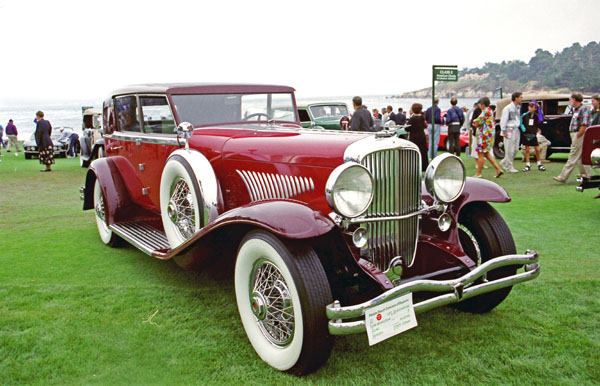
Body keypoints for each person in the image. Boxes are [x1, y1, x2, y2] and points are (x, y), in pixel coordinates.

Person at [553, 93, 592, 183]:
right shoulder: (576, 110)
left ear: (574, 99)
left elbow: (585, 124)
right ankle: (586, 175)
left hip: (579, 134)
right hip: (575, 133)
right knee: (581, 156)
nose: (570, 101)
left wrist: (579, 135)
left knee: (573, 154)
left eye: (570, 99)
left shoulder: (584, 109)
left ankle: (563, 176)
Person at [472, 97, 503, 178]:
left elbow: (477, 121)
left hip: (484, 136)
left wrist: (474, 123)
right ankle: (498, 169)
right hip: (489, 135)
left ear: (483, 105)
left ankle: (478, 173)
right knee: (486, 153)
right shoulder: (490, 111)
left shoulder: (485, 111)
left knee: (481, 154)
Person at [519, 101, 546, 172]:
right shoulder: (525, 115)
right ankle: (528, 164)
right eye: (529, 107)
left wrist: (539, 108)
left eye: (532, 107)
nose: (530, 108)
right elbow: (521, 122)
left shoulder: (536, 116)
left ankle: (539, 164)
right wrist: (523, 129)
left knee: (537, 149)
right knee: (527, 150)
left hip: (533, 134)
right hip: (526, 134)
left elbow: (541, 119)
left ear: (535, 109)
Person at [499, 92, 523, 173]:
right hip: (509, 129)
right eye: (520, 97)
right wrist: (504, 131)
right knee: (510, 149)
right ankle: (509, 166)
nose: (521, 99)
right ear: (516, 98)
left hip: (516, 129)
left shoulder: (518, 108)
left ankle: (505, 162)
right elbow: (503, 120)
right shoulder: (508, 108)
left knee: (516, 149)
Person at [405, 103, 429, 172]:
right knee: (423, 152)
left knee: (414, 152)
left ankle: (414, 166)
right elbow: (424, 126)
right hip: (421, 136)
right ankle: (424, 166)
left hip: (414, 137)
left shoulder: (412, 119)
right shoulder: (422, 118)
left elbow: (407, 128)